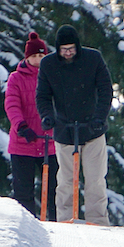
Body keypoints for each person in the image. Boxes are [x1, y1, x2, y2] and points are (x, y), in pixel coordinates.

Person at [36, 24, 113, 225]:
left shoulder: (93, 59)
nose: (68, 53)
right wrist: (47, 117)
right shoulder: (48, 64)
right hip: (64, 129)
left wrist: (99, 117)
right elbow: (43, 96)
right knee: (65, 182)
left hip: (92, 130)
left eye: (71, 49)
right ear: (58, 49)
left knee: (95, 180)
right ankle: (65, 221)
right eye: (64, 50)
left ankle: (98, 222)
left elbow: (105, 90)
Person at [5, 31, 57, 220]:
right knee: (23, 192)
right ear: (27, 57)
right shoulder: (16, 79)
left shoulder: (53, 77)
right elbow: (12, 104)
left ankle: (56, 225)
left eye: (41, 56)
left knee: (54, 190)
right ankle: (27, 226)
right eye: (34, 56)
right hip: (23, 142)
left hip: (49, 142)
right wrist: (21, 126)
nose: (37, 60)